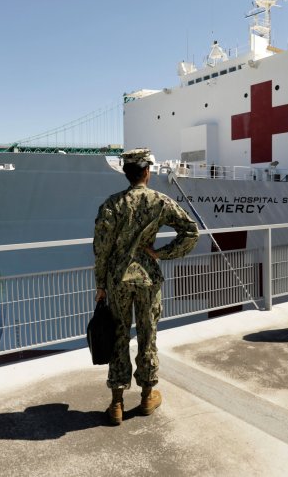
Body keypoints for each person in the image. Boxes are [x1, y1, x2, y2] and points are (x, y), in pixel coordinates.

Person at [94, 148, 199, 425]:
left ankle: (116, 403)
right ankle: (147, 397)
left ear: (127, 172)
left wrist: (101, 284)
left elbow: (101, 249)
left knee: (118, 336)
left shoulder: (111, 204)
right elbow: (191, 231)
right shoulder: (159, 201)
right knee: (147, 335)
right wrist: (162, 253)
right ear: (147, 172)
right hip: (147, 279)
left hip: (117, 280)